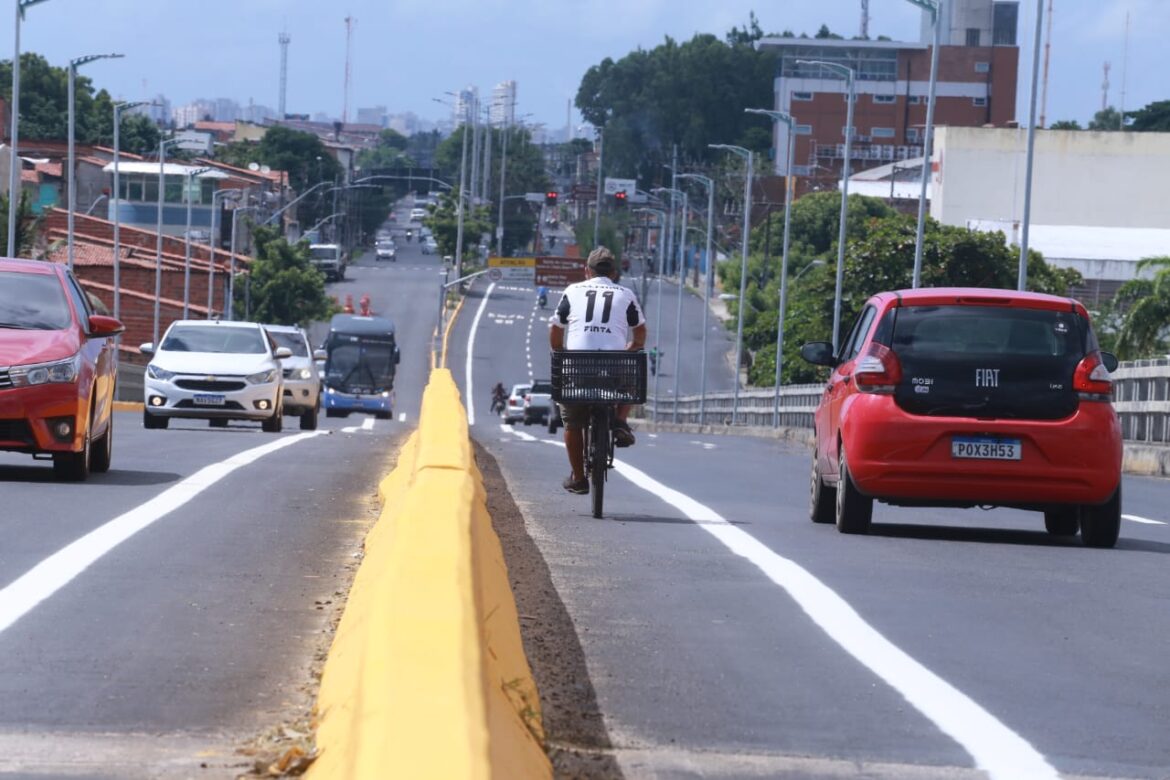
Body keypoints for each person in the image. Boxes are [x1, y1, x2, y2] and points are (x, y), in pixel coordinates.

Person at [549, 246, 647, 495]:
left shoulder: (572, 291)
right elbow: (640, 334)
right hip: (613, 368)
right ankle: (621, 420)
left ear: (587, 271)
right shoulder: (625, 294)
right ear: (613, 273)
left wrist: (561, 351)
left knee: (572, 422)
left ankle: (579, 478)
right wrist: (630, 348)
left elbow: (556, 330)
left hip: (579, 367)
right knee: (632, 371)